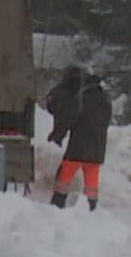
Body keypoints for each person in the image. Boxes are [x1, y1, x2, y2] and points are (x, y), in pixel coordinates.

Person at [45, 66, 112, 210]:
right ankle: (91, 207)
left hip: (78, 147)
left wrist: (57, 134)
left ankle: (57, 204)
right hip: (97, 149)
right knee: (91, 180)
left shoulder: (82, 99)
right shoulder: (106, 102)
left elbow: (69, 118)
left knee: (65, 175)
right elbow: (106, 123)